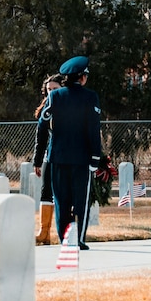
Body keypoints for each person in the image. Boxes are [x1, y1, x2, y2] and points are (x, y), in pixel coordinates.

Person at [34, 55, 104, 248]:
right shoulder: (90, 97)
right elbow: (93, 130)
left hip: (58, 157)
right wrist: (95, 159)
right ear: (82, 77)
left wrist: (38, 158)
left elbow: (42, 126)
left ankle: (65, 239)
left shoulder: (55, 96)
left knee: (61, 201)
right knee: (80, 201)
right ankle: (79, 239)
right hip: (82, 159)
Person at [30, 74, 62, 243]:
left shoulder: (69, 106)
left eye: (55, 89)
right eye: (49, 90)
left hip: (68, 156)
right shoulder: (46, 110)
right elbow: (41, 137)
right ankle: (44, 232)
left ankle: (70, 232)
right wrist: (37, 160)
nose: (51, 93)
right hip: (51, 155)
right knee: (46, 193)